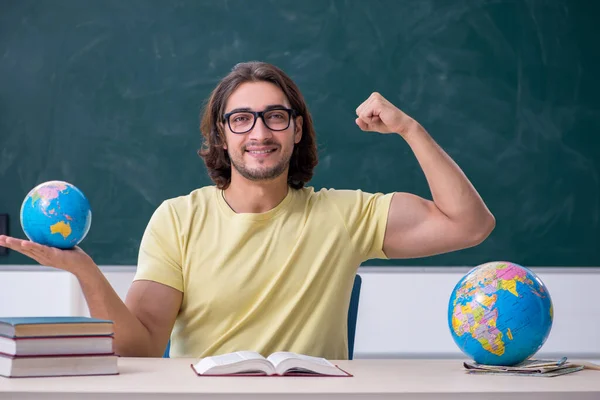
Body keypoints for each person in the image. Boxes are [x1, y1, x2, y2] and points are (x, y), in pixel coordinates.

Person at [0, 61, 495, 359]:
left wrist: (408, 127)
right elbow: (142, 346)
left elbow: (470, 225)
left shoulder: (347, 216)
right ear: (220, 135)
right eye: (241, 119)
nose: (259, 133)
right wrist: (85, 271)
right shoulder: (178, 219)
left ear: (296, 130)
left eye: (275, 117)